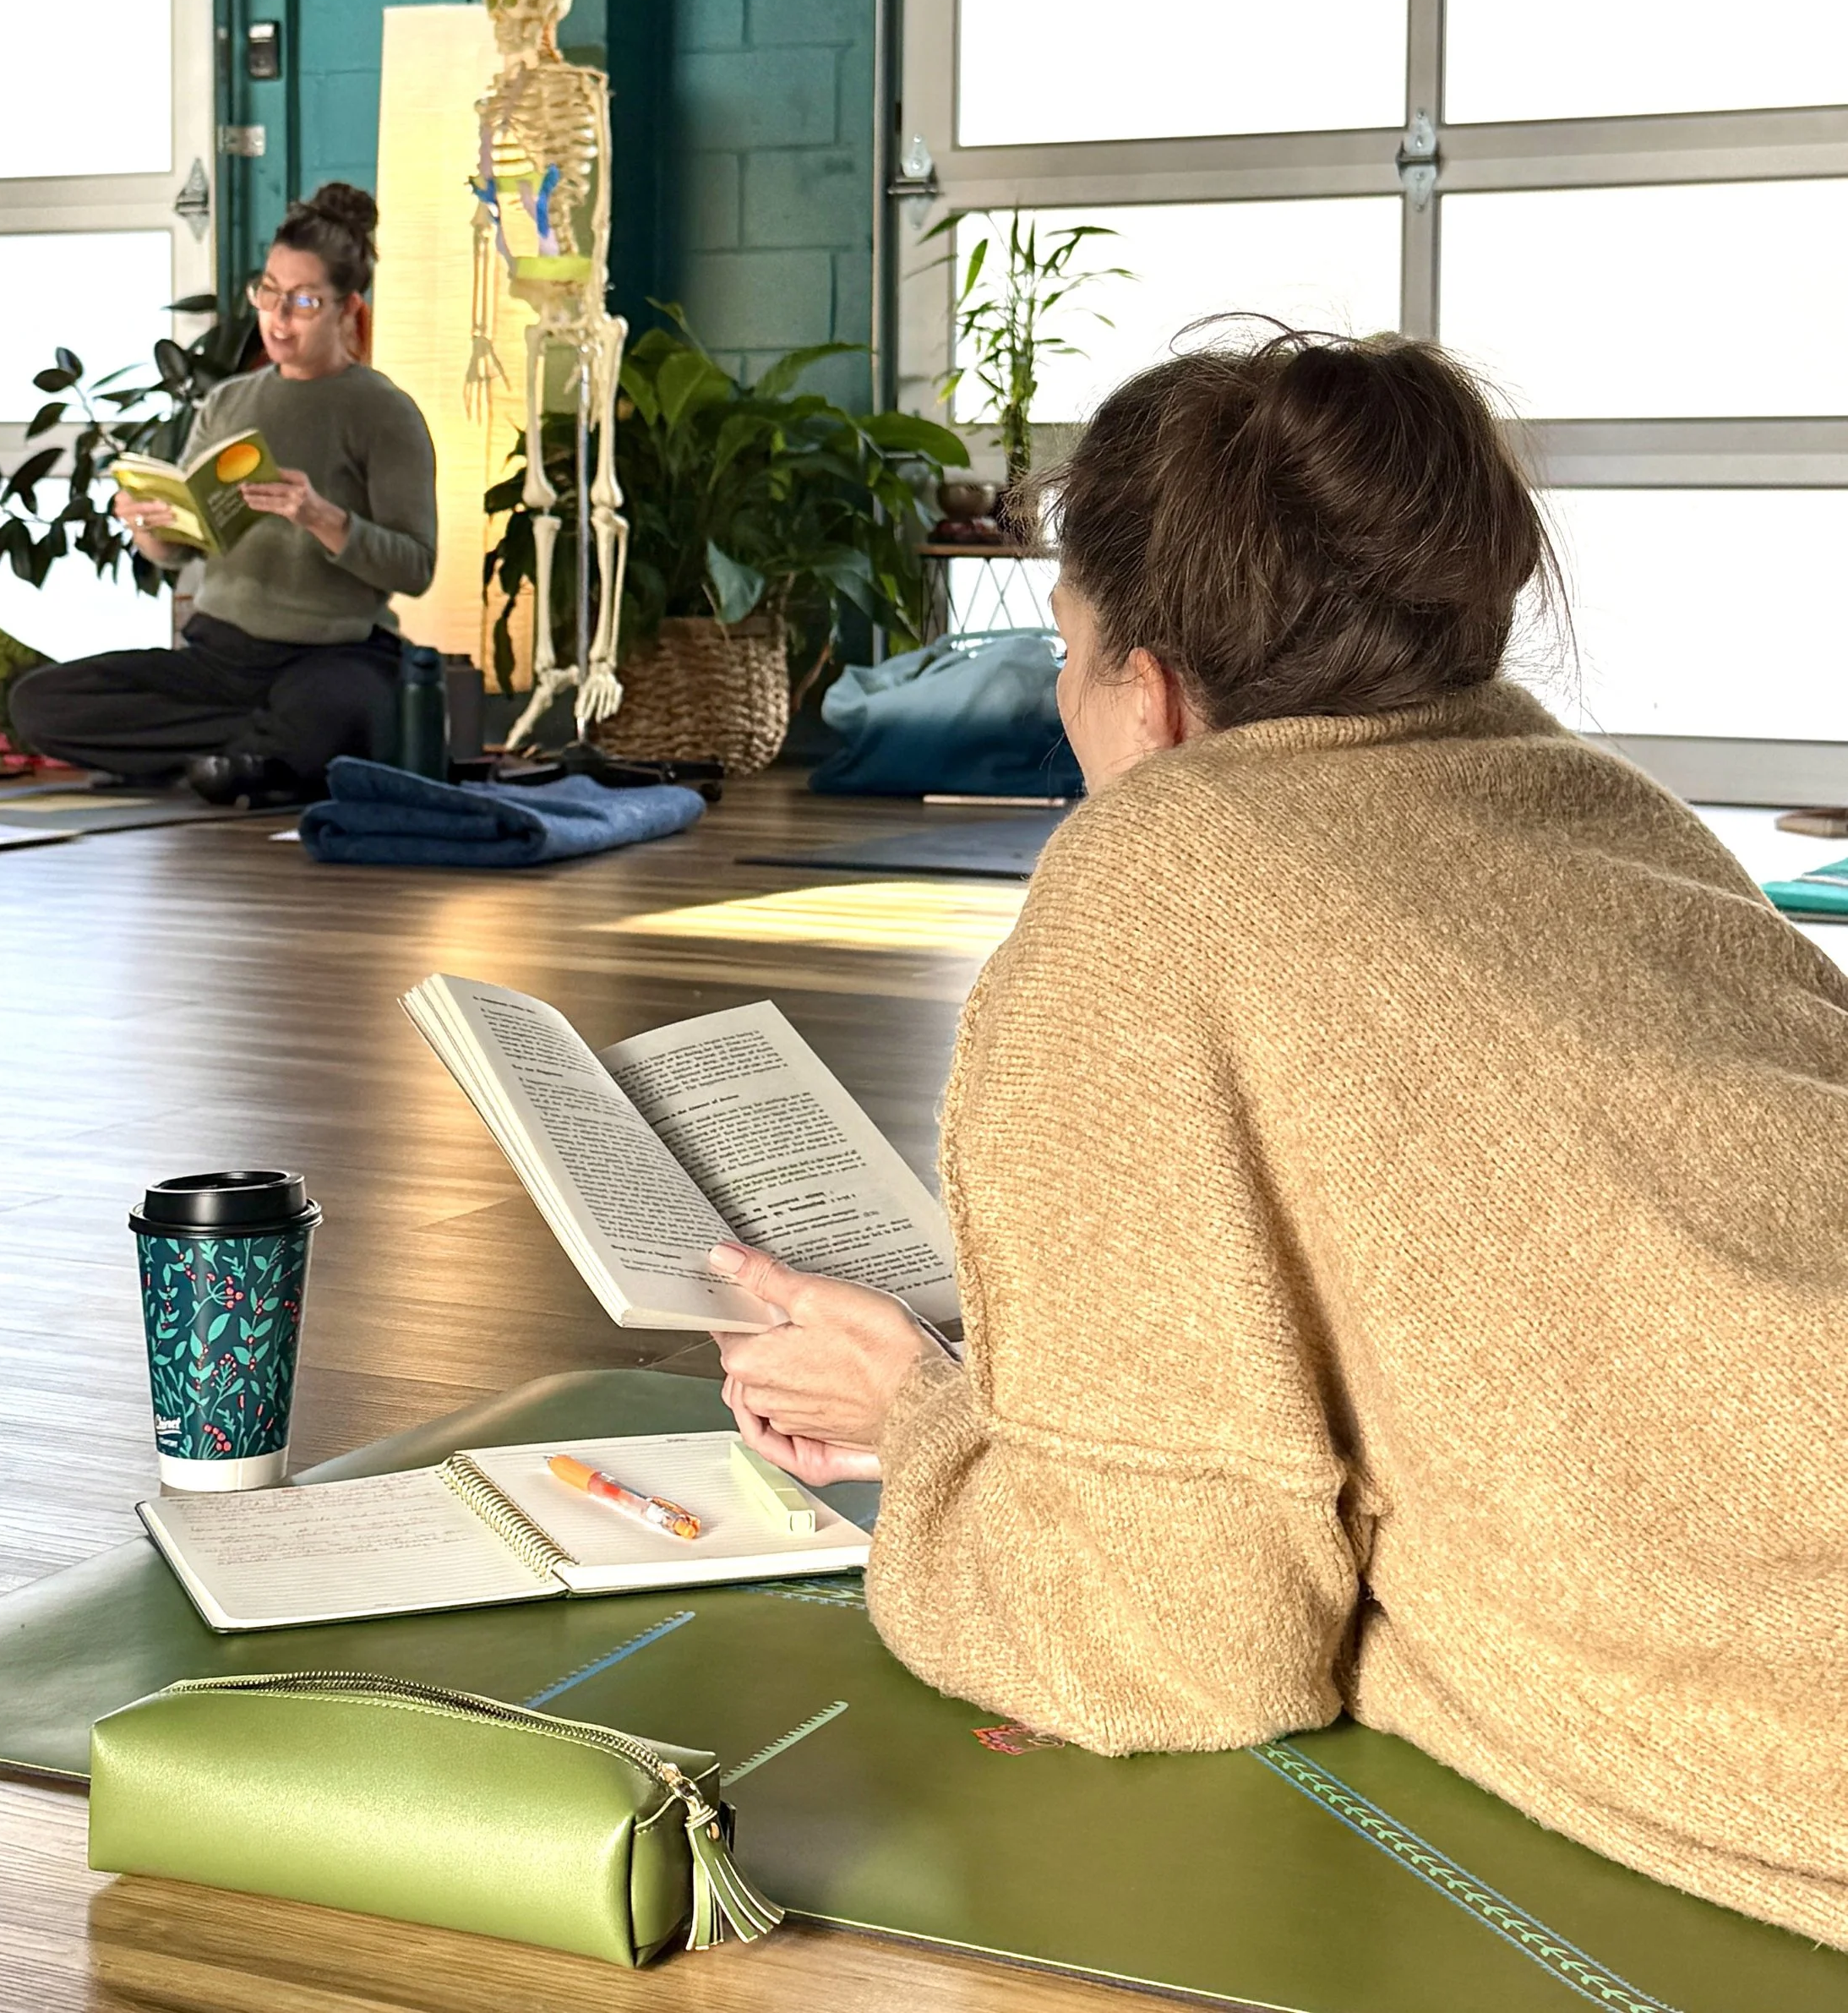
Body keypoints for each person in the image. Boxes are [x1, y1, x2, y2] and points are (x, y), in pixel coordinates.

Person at [711, 327, 1848, 1950]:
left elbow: (1174, 1643)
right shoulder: (1607, 808)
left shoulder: (1156, 870)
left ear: (1154, 693)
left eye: (1067, 649)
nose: (1062, 699)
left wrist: (926, 1423)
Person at [12, 184, 437, 805]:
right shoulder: (228, 402)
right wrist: (151, 526)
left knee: (343, 708)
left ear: (348, 308)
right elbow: (180, 551)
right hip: (219, 660)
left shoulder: (384, 411)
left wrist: (323, 518)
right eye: (268, 292)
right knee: (39, 702)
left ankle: (236, 754)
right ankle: (249, 755)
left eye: (304, 301)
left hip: (333, 656)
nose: (279, 318)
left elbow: (415, 567)